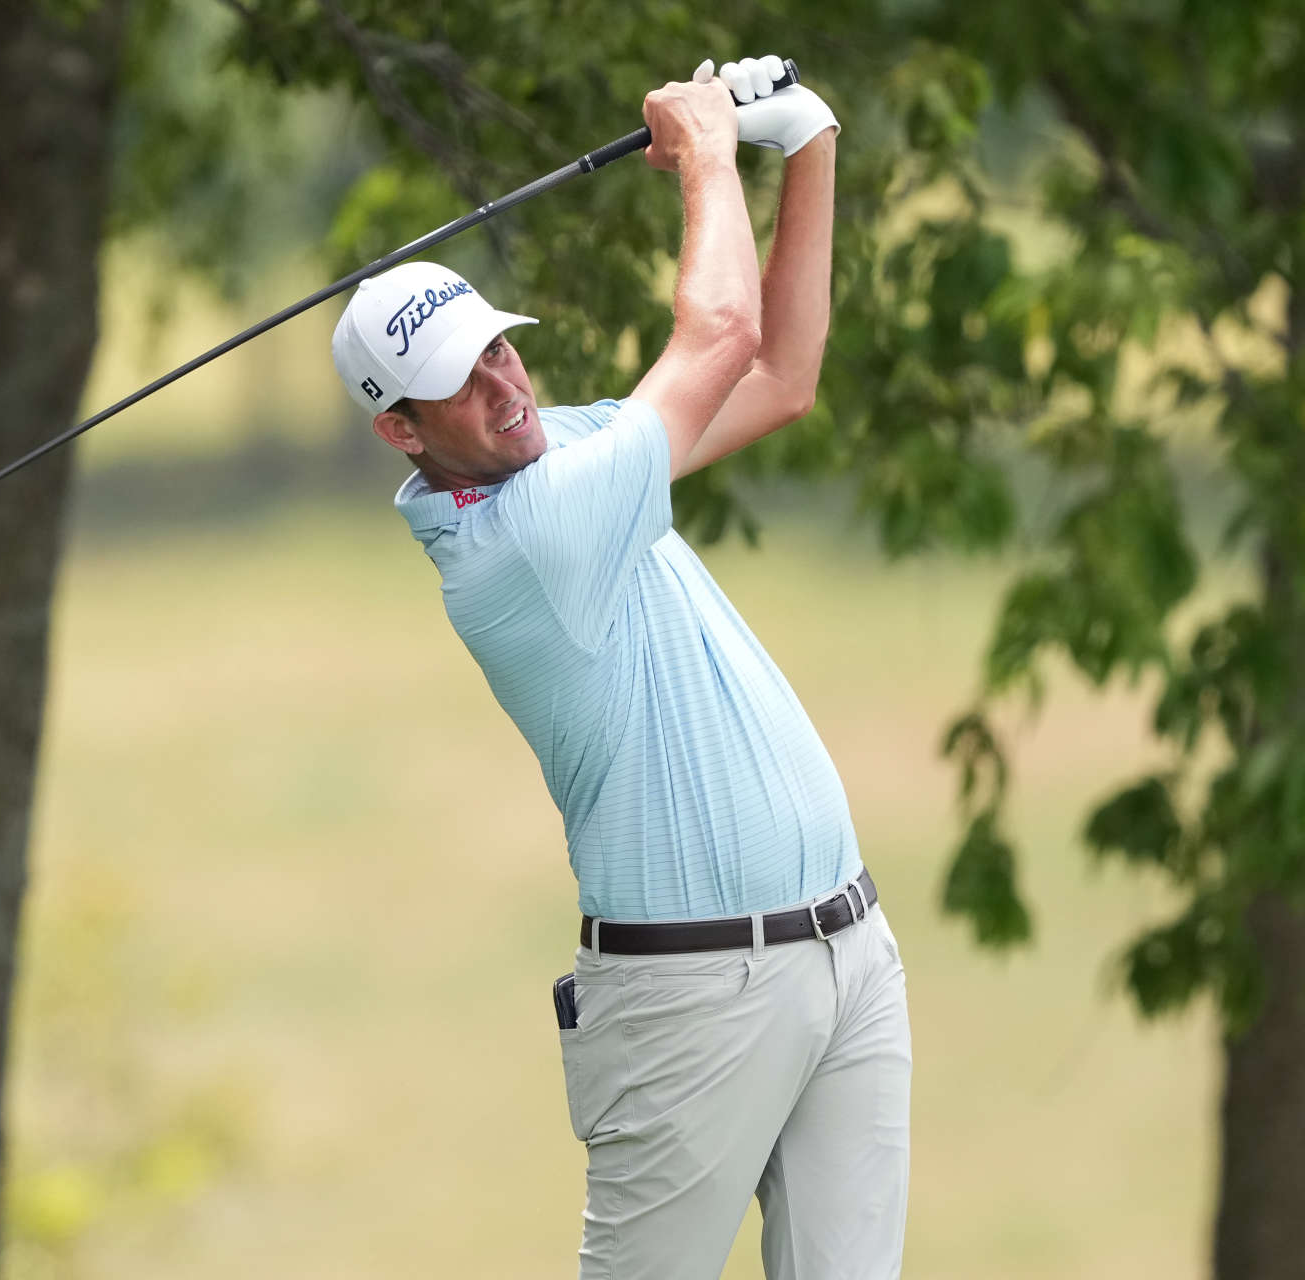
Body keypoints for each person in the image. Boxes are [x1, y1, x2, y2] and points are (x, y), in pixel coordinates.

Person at [331, 55, 909, 1280]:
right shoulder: (522, 542)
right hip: (691, 1002)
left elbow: (779, 376)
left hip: (846, 955)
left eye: (499, 351)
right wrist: (708, 149)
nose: (504, 388)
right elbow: (718, 329)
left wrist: (807, 147)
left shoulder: (561, 451)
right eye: (460, 385)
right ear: (401, 429)